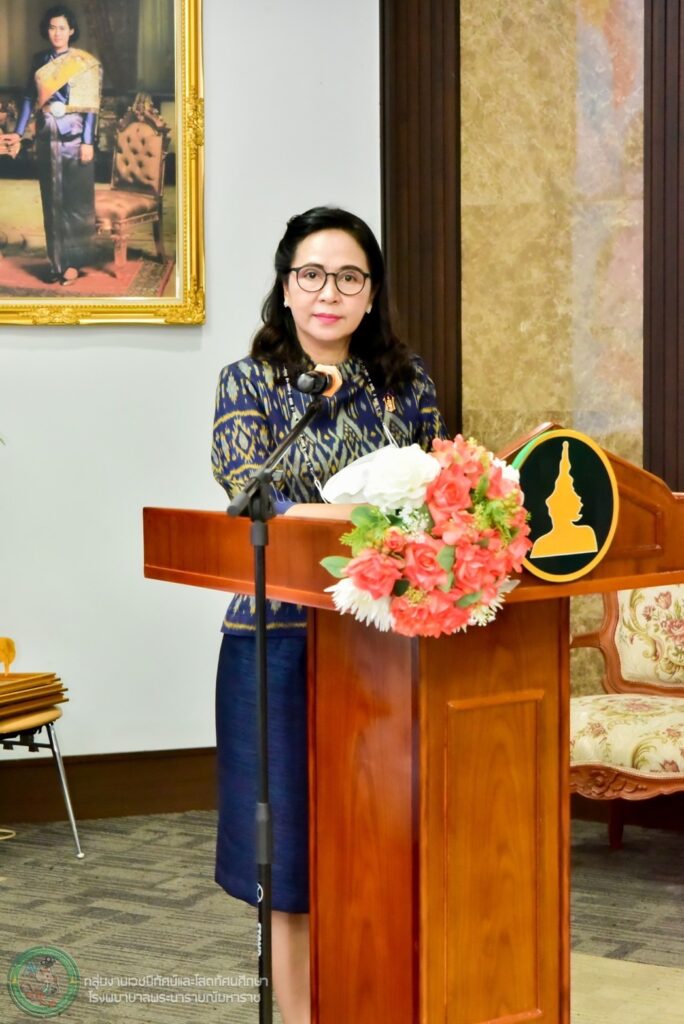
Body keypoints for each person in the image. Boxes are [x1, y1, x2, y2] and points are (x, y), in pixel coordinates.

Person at [211, 206, 448, 1024]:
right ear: (286, 287)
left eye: (350, 277)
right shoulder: (250, 382)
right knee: (288, 858)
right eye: (311, 274)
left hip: (388, 640)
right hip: (279, 637)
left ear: (371, 293)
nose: (329, 293)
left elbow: (440, 490)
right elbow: (248, 488)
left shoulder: (407, 381)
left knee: (385, 834)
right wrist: (366, 515)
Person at [4, 5, 102, 285]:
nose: (57, 33)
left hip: (75, 135)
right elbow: (28, 98)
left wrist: (87, 142)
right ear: (46, 31)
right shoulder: (39, 60)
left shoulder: (83, 62)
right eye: (52, 27)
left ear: (71, 31)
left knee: (75, 202)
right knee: (52, 201)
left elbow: (91, 107)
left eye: (62, 28)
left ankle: (74, 263)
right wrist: (18, 132)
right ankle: (56, 261)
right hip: (47, 136)